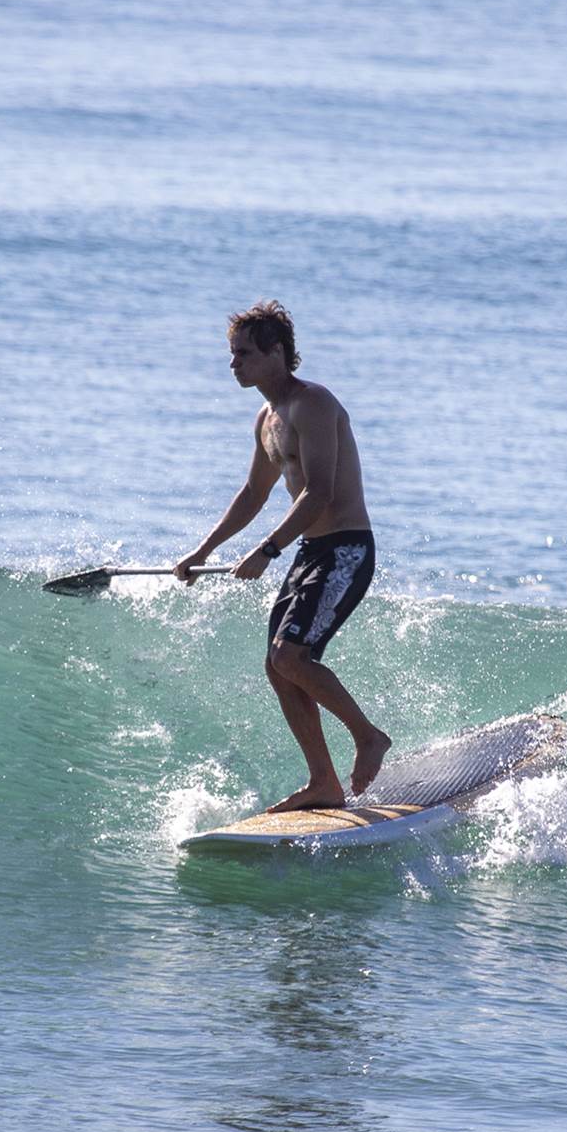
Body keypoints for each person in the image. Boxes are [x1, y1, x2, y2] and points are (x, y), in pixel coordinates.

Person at [174, 301, 392, 813]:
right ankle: (324, 782)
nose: (234, 364)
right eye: (232, 354)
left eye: (244, 354)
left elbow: (318, 492)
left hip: (345, 549)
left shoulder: (313, 404)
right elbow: (253, 494)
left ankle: (368, 737)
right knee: (279, 665)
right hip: (313, 551)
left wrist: (268, 550)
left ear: (277, 352)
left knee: (290, 656)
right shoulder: (267, 418)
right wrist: (202, 551)